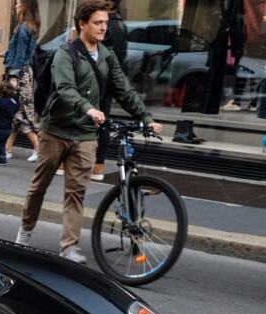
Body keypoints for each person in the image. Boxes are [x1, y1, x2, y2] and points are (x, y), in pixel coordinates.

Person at [16, 0, 161, 263]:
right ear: (82, 24)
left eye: (105, 22)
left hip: (84, 136)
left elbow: (125, 91)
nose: (104, 27)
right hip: (56, 131)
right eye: (98, 22)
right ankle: (25, 231)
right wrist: (89, 109)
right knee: (39, 186)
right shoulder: (65, 53)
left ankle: (68, 247)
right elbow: (65, 88)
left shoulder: (107, 56)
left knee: (76, 192)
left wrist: (146, 117)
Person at [92, 0, 126, 177]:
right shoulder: (120, 24)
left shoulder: (106, 25)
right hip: (109, 79)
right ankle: (98, 166)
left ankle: (70, 163)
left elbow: (99, 53)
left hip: (98, 79)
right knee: (103, 122)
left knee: (87, 119)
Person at [4, 0, 41, 162]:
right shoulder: (28, 26)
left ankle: (38, 147)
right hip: (24, 72)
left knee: (20, 112)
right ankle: (7, 149)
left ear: (25, 6)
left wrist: (13, 77)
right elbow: (19, 51)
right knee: (16, 112)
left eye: (19, 2)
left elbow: (20, 55)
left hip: (20, 74)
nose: (16, 5)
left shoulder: (24, 28)